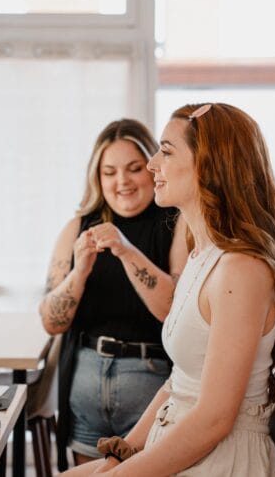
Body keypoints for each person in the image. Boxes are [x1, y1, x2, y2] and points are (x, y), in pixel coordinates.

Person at [61, 103, 275, 476]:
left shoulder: (240, 271)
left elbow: (213, 421)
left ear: (208, 166)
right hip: (180, 446)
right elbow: (178, 382)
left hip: (220, 461)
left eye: (166, 151)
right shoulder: (202, 256)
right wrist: (120, 456)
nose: (152, 165)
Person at [39, 118, 188, 471]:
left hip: (150, 387)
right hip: (85, 387)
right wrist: (80, 271)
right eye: (109, 172)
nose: (122, 181)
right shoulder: (77, 228)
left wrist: (125, 250)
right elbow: (51, 322)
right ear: (98, 177)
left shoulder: (177, 223)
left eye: (134, 169)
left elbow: (175, 312)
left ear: (153, 167)